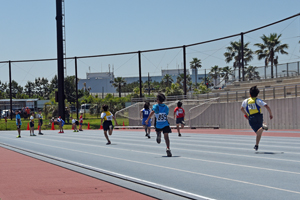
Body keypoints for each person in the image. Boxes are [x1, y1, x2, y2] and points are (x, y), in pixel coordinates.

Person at [241, 86, 273, 151]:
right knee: (259, 132)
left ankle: (263, 127)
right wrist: (270, 114)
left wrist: (246, 115)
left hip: (251, 117)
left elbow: (241, 108)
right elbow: (266, 106)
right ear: (257, 95)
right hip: (259, 116)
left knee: (257, 131)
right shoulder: (258, 100)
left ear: (249, 94)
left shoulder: (246, 101)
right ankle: (256, 145)